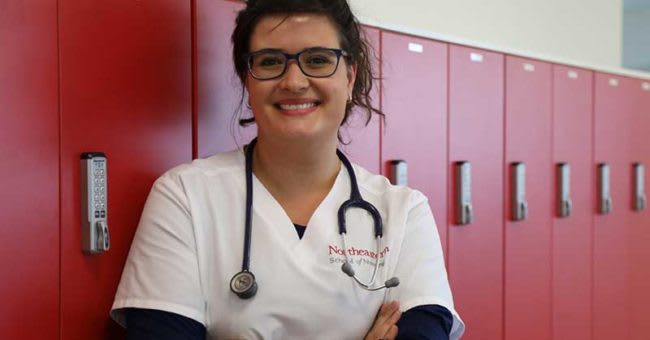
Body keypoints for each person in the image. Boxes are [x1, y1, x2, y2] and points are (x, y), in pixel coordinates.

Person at [110, 0, 465, 339]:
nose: (294, 81)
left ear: (350, 75)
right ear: (247, 80)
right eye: (269, 62)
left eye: (317, 59)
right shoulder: (185, 197)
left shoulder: (403, 212)